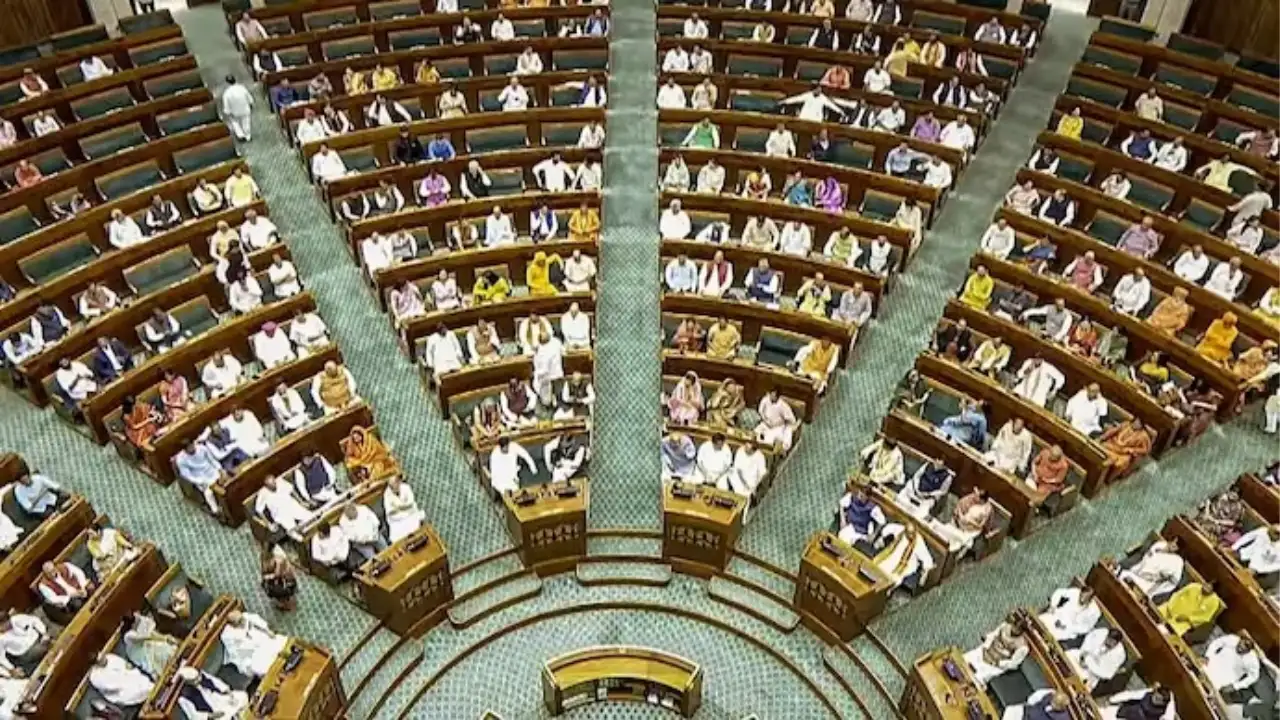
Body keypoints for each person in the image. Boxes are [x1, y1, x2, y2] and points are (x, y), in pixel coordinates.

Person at [963, 615, 1028, 687]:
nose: (1015, 629)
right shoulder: (1004, 626)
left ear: (1023, 631)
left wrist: (998, 663)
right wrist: (986, 646)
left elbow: (1013, 664)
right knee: (963, 660)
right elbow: (992, 636)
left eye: (1019, 628)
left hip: (995, 666)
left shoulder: (1023, 647)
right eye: (1015, 625)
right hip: (985, 652)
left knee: (976, 679)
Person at [221, 612, 289, 679]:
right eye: (239, 621)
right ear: (232, 625)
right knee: (262, 665)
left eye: (242, 619)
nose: (243, 622)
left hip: (260, 639)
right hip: (249, 652)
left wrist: (267, 631)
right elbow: (237, 652)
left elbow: (258, 621)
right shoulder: (228, 635)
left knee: (280, 644)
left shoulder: (245, 616)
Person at [1119, 540, 1183, 599]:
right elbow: (1145, 559)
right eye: (1173, 542)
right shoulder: (1160, 545)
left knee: (1132, 587)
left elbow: (1172, 582)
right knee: (1124, 574)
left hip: (1148, 584)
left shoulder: (1177, 561)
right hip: (1138, 573)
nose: (1173, 545)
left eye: (1176, 546)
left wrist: (1152, 591)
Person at [88, 653, 153, 709]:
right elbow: (113, 687)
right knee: (137, 690)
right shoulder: (95, 677)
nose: (105, 660)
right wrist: (126, 679)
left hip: (129, 677)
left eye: (103, 657)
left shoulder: (109, 657)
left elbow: (126, 666)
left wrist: (131, 674)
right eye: (101, 660)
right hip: (119, 692)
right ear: (96, 664)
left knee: (144, 681)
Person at [1157, 581, 1223, 636]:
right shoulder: (1193, 586)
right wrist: (1170, 607)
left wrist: (1188, 618)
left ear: (1213, 592)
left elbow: (1205, 617)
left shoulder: (1214, 602)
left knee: (1165, 631)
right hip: (1170, 608)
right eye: (1206, 585)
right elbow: (1177, 594)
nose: (1206, 588)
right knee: (1156, 615)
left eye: (1209, 589)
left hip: (1184, 621)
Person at [1099, 685, 1174, 720]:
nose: (1155, 699)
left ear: (1163, 703)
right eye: (1155, 696)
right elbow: (1130, 695)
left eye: (1158, 700)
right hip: (1126, 712)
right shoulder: (1148, 693)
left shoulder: (1164, 713)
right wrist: (1112, 700)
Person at [220, 75, 254, 142]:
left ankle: (240, 135)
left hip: (234, 112)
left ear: (227, 83)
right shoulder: (242, 88)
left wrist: (228, 112)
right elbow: (248, 97)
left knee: (235, 123)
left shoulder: (226, 93)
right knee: (246, 123)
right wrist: (250, 104)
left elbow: (226, 105)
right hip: (245, 109)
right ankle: (248, 136)